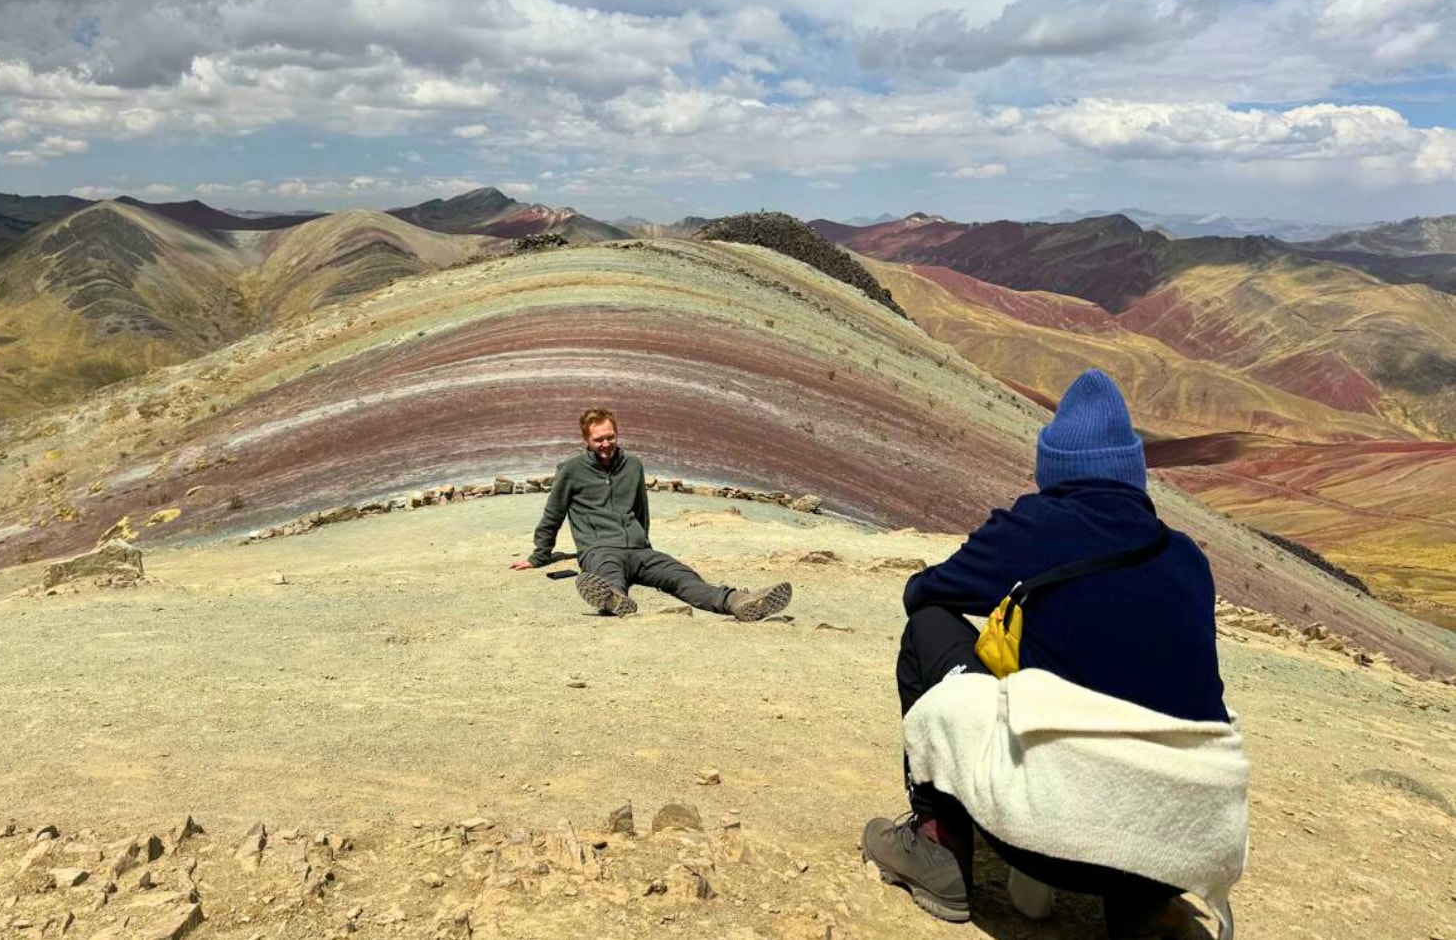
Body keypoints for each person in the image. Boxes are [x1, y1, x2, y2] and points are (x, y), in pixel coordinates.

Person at [861, 370, 1248, 939]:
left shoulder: (1033, 529)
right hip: (1178, 846)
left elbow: (925, 593)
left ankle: (937, 845)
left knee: (930, 627)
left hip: (1051, 841)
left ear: (1053, 467)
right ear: (1133, 472)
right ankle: (1141, 909)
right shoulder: (1186, 557)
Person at [511, 407, 793, 620]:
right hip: (600, 549)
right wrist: (538, 556)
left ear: (617, 433)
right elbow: (553, 514)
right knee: (609, 577)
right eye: (599, 440)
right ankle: (613, 599)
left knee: (681, 576)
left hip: (640, 550)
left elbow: (641, 511)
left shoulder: (633, 465)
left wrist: (642, 543)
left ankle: (739, 601)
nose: (606, 444)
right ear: (586, 439)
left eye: (610, 437)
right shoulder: (571, 470)